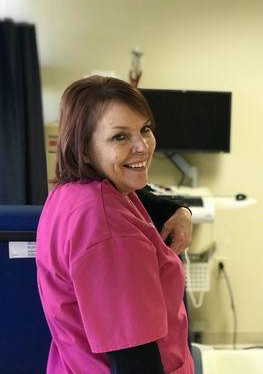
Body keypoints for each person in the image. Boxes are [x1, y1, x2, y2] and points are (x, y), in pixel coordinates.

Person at [36, 76, 194, 374]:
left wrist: (179, 210)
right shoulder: (111, 231)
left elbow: (140, 195)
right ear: (83, 148)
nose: (142, 146)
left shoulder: (72, 193)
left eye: (145, 129)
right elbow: (134, 359)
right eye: (120, 137)